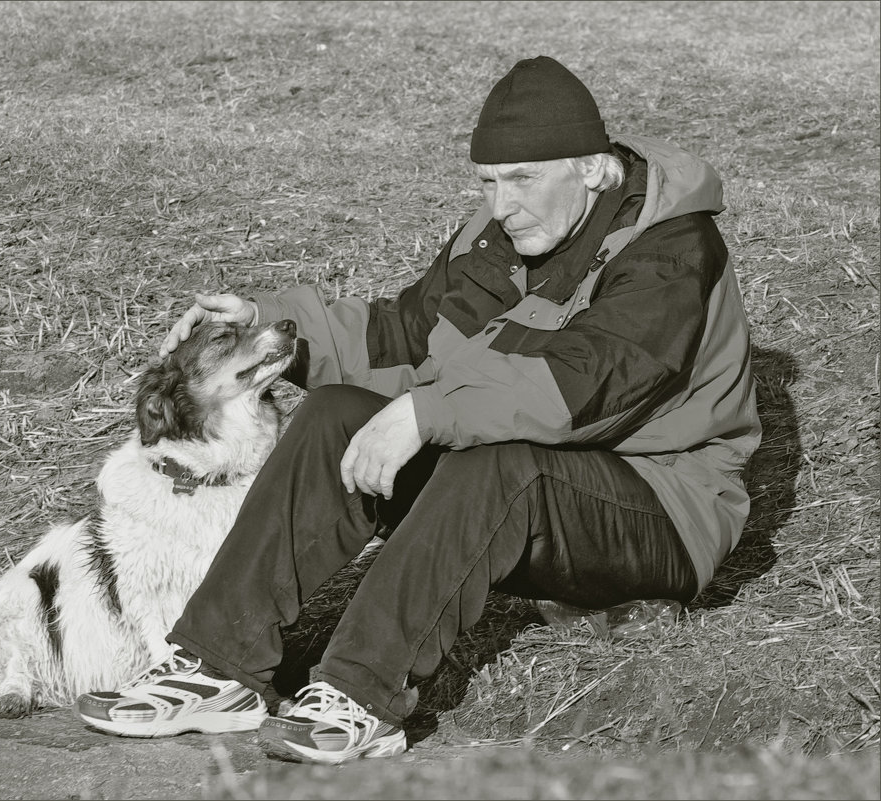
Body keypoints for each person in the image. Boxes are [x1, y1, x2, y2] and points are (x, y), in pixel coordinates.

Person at [74, 56, 760, 765]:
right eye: (488, 182)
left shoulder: (672, 247)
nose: (501, 204)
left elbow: (583, 390)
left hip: (660, 510)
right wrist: (270, 325)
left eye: (522, 179)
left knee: (501, 463)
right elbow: (403, 335)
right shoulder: (500, 237)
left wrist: (424, 414)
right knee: (337, 411)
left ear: (590, 169)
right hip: (517, 494)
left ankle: (359, 693)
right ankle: (218, 665)